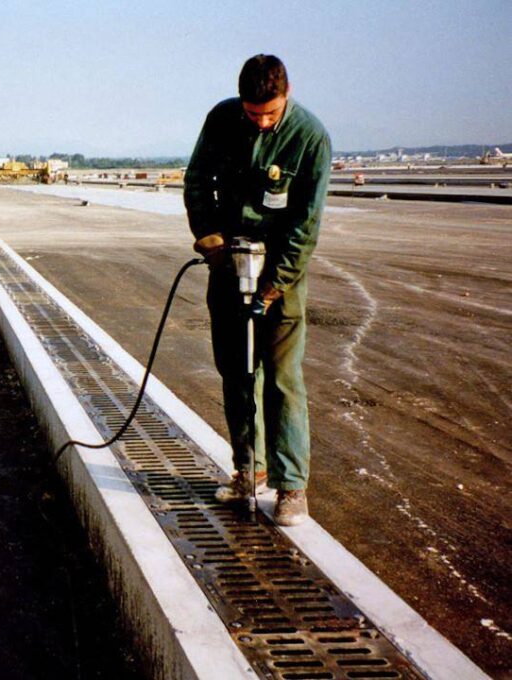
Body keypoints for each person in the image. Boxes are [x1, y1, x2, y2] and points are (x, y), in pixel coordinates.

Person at [183, 54, 331, 526]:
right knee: (236, 373)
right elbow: (195, 182)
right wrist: (211, 242)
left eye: (270, 113)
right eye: (253, 114)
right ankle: (249, 469)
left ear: (286, 96)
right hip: (229, 266)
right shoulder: (222, 119)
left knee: (283, 381)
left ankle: (292, 487)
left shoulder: (310, 137)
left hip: (282, 273)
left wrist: (273, 286)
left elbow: (306, 226)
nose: (262, 122)